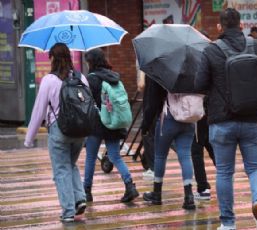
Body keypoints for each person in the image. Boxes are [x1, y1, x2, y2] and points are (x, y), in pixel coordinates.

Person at [195, 8, 257, 230]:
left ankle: (228, 223)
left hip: (221, 121)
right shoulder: (256, 45)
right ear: (241, 25)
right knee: (256, 167)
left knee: (224, 172)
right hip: (253, 118)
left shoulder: (210, 51)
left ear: (219, 27)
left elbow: (200, 85)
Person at [24, 43, 87, 222]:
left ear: (52, 58)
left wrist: (29, 139)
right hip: (80, 131)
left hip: (60, 131)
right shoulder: (81, 77)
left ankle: (68, 212)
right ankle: (80, 198)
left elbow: (38, 111)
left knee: (61, 170)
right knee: (69, 165)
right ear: (69, 58)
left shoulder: (49, 80)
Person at [83, 48, 139, 203]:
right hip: (113, 122)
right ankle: (130, 186)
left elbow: (87, 102)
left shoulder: (91, 79)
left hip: (96, 123)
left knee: (90, 157)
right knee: (115, 156)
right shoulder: (113, 77)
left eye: (88, 61)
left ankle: (86, 191)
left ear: (92, 62)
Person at [142, 80, 197, 210]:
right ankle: (189, 196)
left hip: (168, 118)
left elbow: (153, 102)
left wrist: (145, 125)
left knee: (160, 156)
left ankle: (157, 193)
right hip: (188, 118)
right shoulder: (193, 69)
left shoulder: (164, 73)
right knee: (185, 155)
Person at [191, 100, 216, 200]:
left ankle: (203, 188)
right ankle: (226, 177)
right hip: (211, 110)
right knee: (212, 147)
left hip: (198, 112)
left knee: (197, 152)